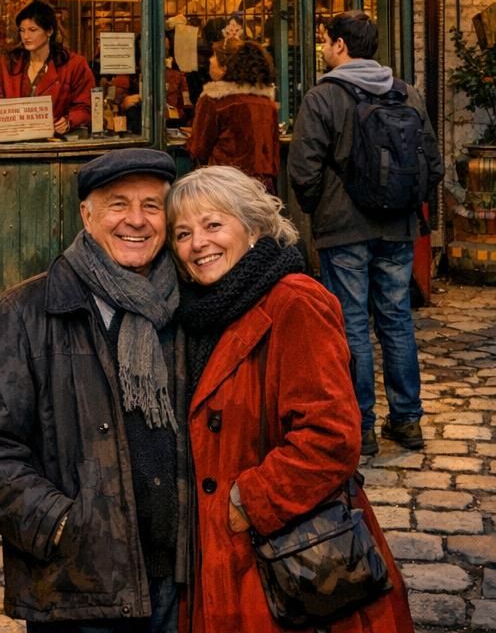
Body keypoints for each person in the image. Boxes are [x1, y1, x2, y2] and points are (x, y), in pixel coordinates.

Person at [168, 165, 413, 633]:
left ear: (254, 227)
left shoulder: (293, 300)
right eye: (183, 233)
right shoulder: (201, 314)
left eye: (213, 225)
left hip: (282, 554)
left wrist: (248, 503)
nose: (198, 243)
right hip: (221, 559)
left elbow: (331, 438)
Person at [0, 147, 186, 632]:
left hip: (181, 584)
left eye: (151, 206)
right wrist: (62, 526)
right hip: (78, 588)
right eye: (118, 204)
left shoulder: (188, 307)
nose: (137, 221)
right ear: (86, 214)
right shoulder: (27, 311)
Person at [287, 11, 442, 455]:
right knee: (396, 319)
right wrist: (403, 205)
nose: (321, 48)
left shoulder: (323, 97)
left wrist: (321, 209)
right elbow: (431, 164)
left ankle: (362, 425)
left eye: (324, 41)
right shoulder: (407, 93)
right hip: (398, 228)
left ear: (340, 45)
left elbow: (303, 169)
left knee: (351, 322)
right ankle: (408, 420)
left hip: (343, 229)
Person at [0, 0, 95, 138]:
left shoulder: (74, 64)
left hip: (56, 143)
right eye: (22, 30)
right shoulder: (9, 63)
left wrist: (69, 121)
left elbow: (86, 107)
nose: (26, 37)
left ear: (49, 31)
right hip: (13, 142)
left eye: (33, 30)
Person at [188, 38, 280, 192]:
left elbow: (198, 148)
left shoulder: (214, 100)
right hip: (262, 187)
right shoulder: (266, 102)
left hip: (224, 186)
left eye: (214, 56)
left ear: (225, 67)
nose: (210, 60)